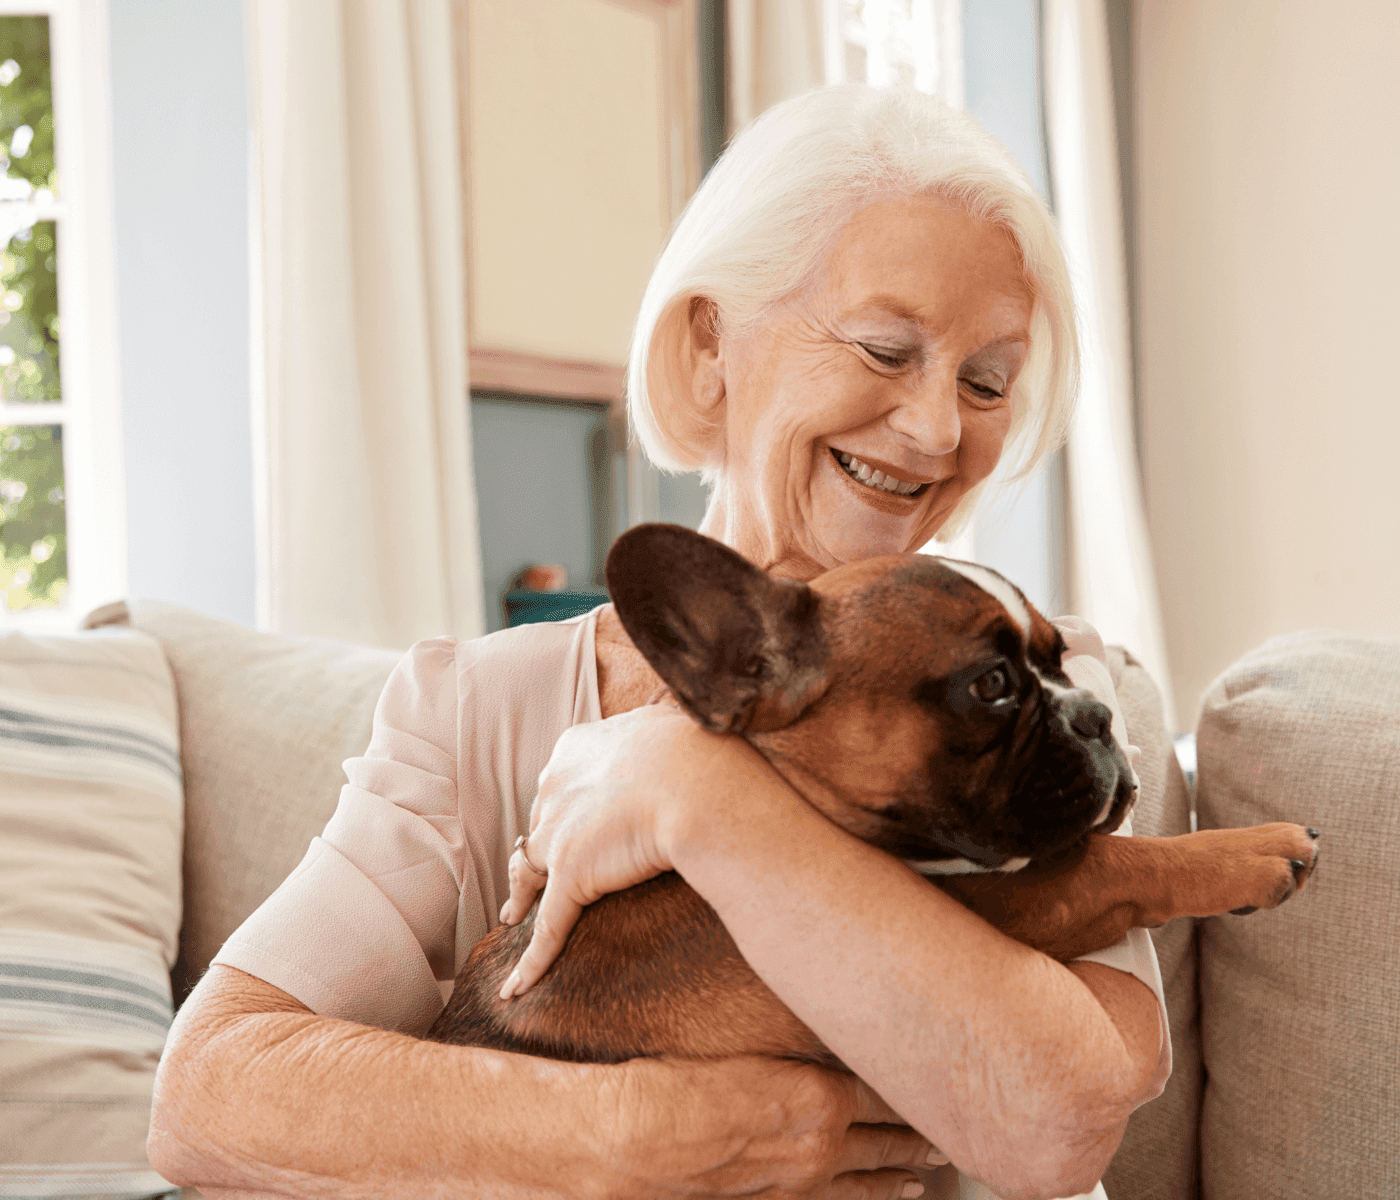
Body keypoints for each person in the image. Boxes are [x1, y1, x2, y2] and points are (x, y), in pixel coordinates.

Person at [148, 85, 1169, 1200]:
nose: (937, 428)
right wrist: (625, 1127)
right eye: (884, 349)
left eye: (986, 381)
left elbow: (1058, 1127)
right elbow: (209, 1092)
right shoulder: (478, 710)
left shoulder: (1040, 696)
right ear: (706, 347)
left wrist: (688, 788)